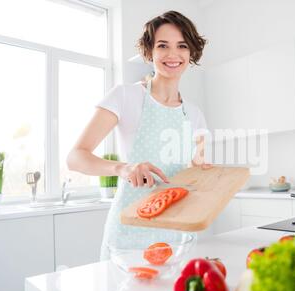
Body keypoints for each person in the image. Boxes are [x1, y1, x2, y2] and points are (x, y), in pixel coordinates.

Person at [66, 11, 210, 260]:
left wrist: (207, 178)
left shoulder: (194, 114)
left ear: (191, 53)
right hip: (129, 236)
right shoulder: (125, 96)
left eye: (182, 46)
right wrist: (123, 169)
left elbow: (195, 174)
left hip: (177, 237)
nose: (173, 54)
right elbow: (75, 157)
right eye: (163, 45)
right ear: (149, 52)